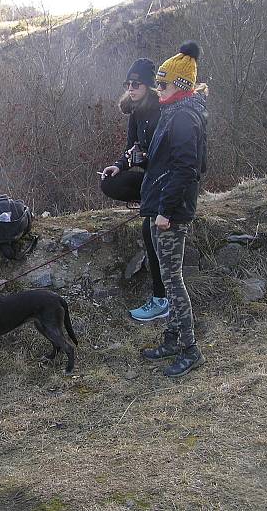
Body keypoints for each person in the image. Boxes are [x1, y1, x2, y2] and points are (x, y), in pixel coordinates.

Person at [139, 41, 208, 378]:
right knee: (169, 279)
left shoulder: (183, 117)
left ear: (180, 86)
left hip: (172, 213)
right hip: (162, 207)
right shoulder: (174, 112)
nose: (158, 89)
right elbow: (164, 163)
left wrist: (165, 210)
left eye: (163, 84)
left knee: (172, 280)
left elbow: (186, 169)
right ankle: (172, 339)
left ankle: (191, 350)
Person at [100, 58, 169, 322]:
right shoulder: (135, 112)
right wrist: (119, 166)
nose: (131, 88)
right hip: (150, 177)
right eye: (127, 84)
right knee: (109, 182)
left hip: (165, 178)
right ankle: (147, 202)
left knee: (148, 229)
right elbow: (131, 149)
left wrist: (145, 158)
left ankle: (160, 299)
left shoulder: (163, 111)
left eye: (136, 84)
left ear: (149, 86)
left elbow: (165, 155)